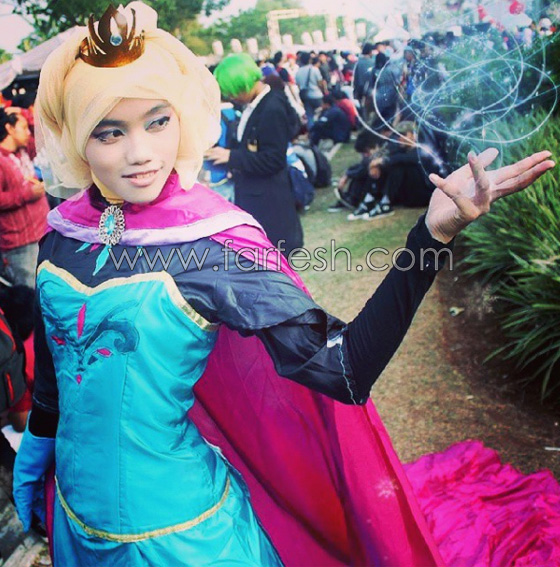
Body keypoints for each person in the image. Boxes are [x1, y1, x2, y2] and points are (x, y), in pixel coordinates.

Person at [12, 3, 556, 567]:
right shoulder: (62, 236)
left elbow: (343, 368)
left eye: (157, 121)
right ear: (77, 140)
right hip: (74, 521)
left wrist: (432, 234)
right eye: (109, 132)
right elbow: (53, 383)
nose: (140, 153)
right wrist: (33, 464)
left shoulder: (215, 246)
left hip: (186, 543)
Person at [206, 54, 303, 256]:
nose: (231, 98)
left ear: (243, 85)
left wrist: (232, 157)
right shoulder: (257, 104)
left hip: (270, 205)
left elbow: (274, 160)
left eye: (233, 93)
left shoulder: (271, 108)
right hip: (259, 198)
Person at [0, 108, 49, 287]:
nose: (28, 132)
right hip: (22, 244)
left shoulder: (24, 150)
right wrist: (27, 194)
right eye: (23, 128)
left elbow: (41, 130)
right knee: (32, 294)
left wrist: (22, 112)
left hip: (43, 233)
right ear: (10, 129)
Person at [294, 52, 325, 127]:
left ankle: (312, 130)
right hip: (317, 95)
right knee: (321, 114)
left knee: (309, 116)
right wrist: (324, 91)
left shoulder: (298, 72)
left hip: (306, 97)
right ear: (310, 60)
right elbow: (320, 83)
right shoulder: (314, 69)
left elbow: (298, 85)